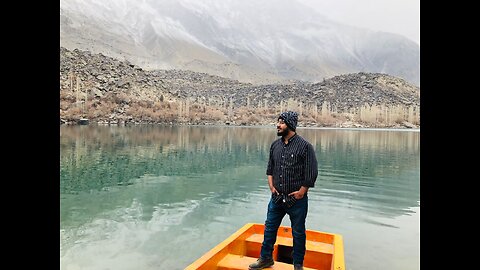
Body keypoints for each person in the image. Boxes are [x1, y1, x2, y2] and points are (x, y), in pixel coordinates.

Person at [249, 111, 318, 270]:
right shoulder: (275, 145)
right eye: (278, 122)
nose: (278, 125)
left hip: (297, 200)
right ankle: (266, 258)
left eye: (281, 122)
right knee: (269, 228)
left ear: (291, 125)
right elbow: (270, 169)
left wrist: (302, 192)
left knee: (298, 233)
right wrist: (271, 186)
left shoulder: (305, 146)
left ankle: (298, 265)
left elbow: (311, 173)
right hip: (277, 198)